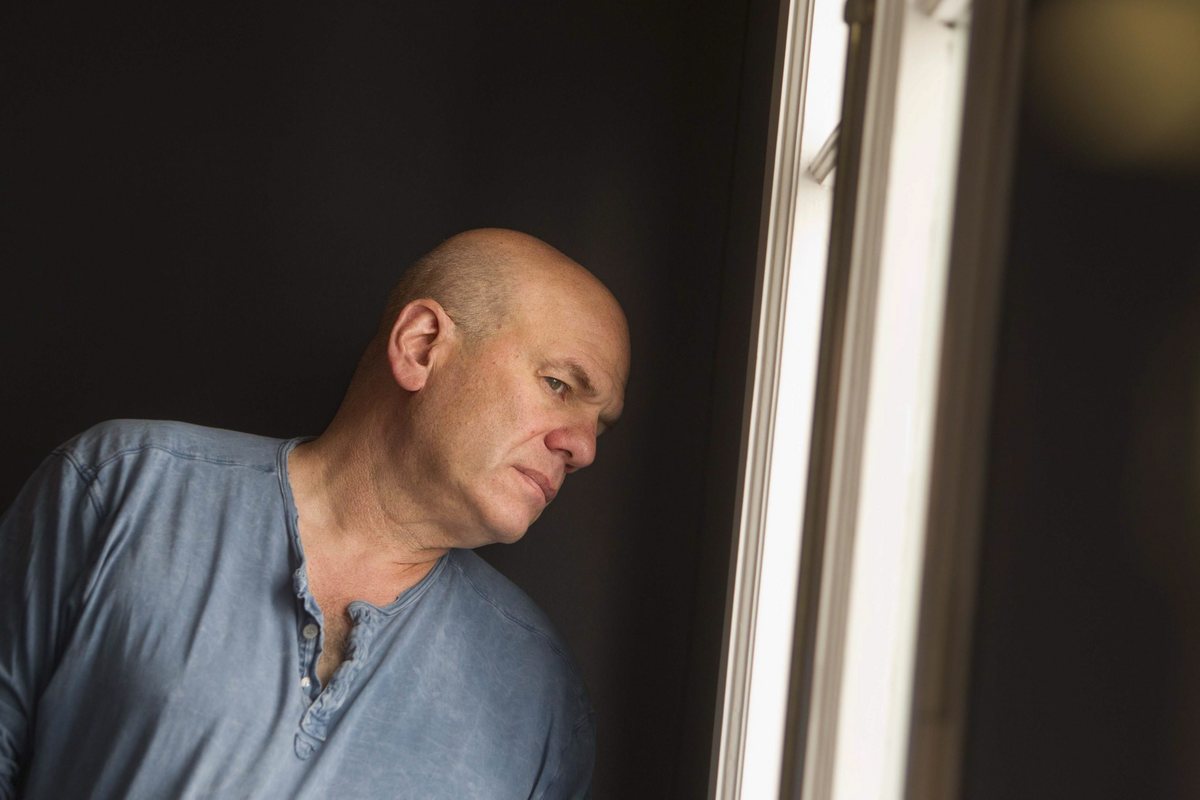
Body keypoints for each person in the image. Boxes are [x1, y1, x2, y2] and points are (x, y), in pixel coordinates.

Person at [0, 228, 630, 799]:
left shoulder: (543, 699)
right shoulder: (125, 489)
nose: (583, 448)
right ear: (421, 346)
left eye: (599, 424)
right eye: (559, 385)